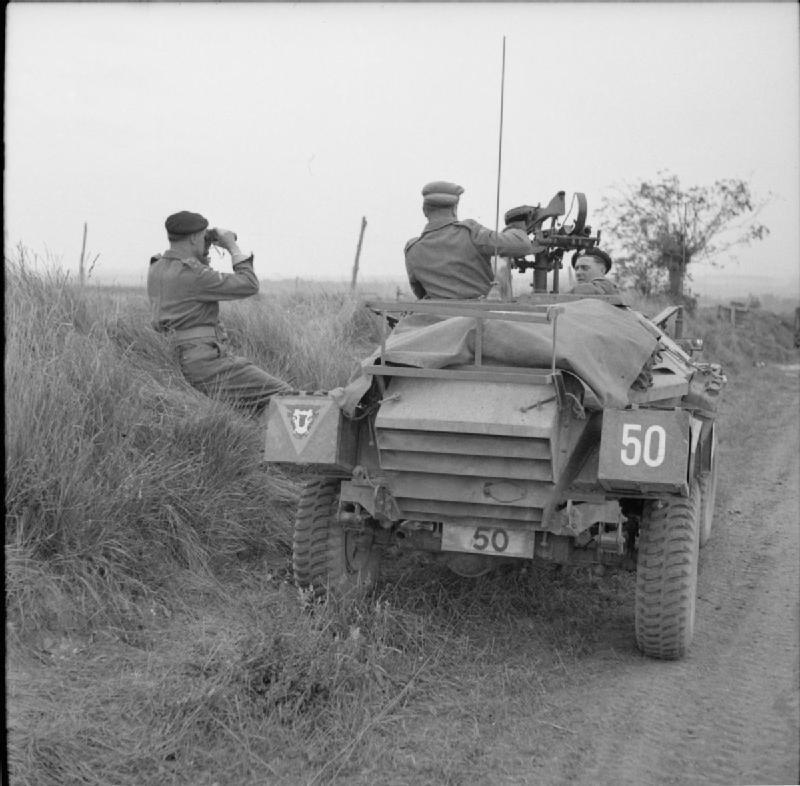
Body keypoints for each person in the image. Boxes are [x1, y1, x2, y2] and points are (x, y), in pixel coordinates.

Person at [147, 210, 291, 414]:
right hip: (203, 361)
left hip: (177, 355)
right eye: (203, 237)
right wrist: (232, 246)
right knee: (284, 394)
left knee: (246, 409)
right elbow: (249, 284)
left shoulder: (157, 266)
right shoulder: (194, 274)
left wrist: (203, 250)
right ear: (196, 237)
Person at [404, 181, 533, 299]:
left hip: (435, 321)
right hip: (477, 319)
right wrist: (516, 227)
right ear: (454, 209)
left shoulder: (412, 249)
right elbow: (522, 245)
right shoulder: (471, 233)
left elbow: (420, 293)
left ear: (424, 211)